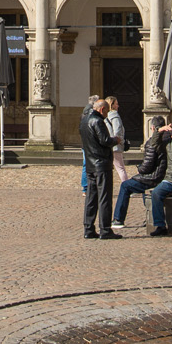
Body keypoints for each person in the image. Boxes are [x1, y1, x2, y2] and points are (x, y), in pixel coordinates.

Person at [113, 117, 172, 229]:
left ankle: (118, 219)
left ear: (153, 127)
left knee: (126, 186)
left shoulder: (152, 142)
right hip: (161, 175)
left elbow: (147, 167)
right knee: (142, 186)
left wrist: (139, 168)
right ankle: (149, 217)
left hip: (153, 177)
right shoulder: (169, 139)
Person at [80, 97, 117, 239]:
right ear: (102, 109)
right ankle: (105, 229)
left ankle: (88, 228)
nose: (107, 113)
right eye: (107, 110)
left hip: (90, 164)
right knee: (104, 197)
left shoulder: (84, 120)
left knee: (91, 197)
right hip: (101, 164)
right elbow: (104, 140)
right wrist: (116, 140)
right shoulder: (98, 121)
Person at [105, 95, 128, 191]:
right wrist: (121, 141)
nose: (118, 106)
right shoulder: (114, 115)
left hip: (109, 145)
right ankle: (128, 187)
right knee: (120, 168)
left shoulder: (105, 116)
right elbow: (117, 131)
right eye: (116, 104)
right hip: (115, 145)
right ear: (112, 105)